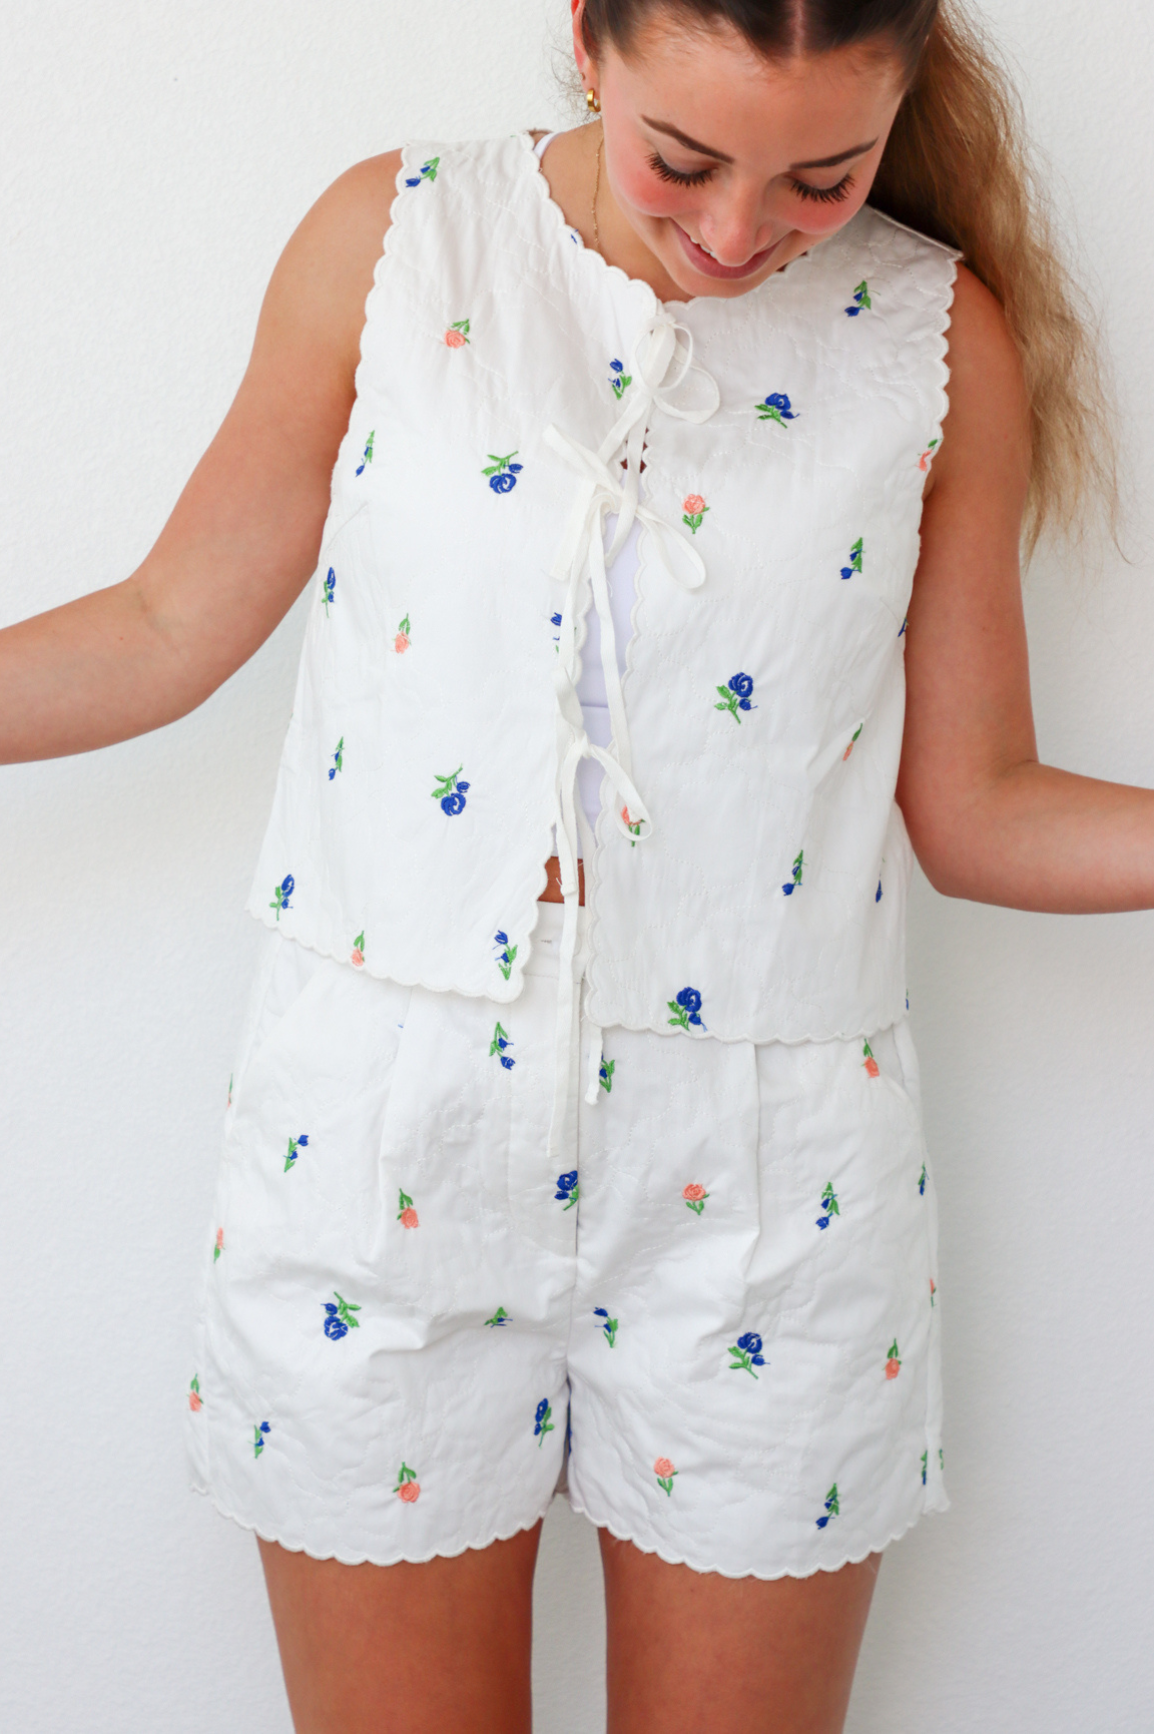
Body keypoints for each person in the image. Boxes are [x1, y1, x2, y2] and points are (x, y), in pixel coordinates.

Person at [1, 0, 1143, 1728]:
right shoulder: (396, 242)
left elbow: (979, 805)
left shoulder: (931, 337)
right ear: (587, 44)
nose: (736, 232)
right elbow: (166, 623)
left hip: (766, 1187)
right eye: (682, 159)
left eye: (820, 179)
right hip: (379, 1140)